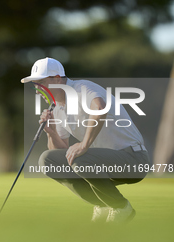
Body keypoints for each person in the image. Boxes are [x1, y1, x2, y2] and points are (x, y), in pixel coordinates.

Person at [21, 57, 151, 223]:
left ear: (57, 79)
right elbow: (61, 151)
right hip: (103, 163)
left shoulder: (82, 88)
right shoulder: (58, 108)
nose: (37, 89)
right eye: (35, 85)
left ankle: (120, 207)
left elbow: (100, 107)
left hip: (133, 159)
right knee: (47, 159)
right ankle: (103, 204)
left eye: (40, 83)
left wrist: (84, 144)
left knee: (80, 158)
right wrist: (51, 132)